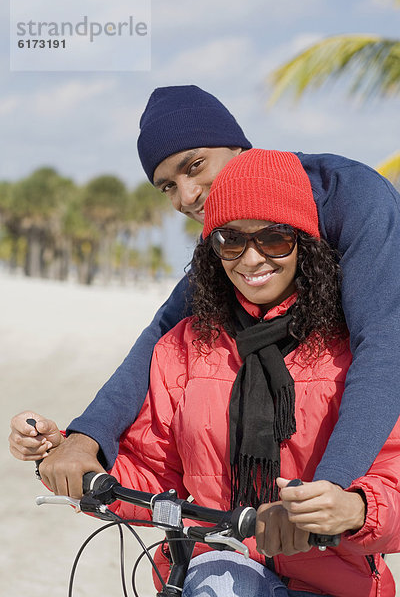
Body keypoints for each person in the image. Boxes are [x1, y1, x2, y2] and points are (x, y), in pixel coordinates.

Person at [18, 149, 400, 597]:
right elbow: (152, 475)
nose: (251, 258)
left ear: (307, 244)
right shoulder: (182, 348)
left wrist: (353, 510)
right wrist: (68, 459)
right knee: (221, 575)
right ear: (212, 250)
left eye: (274, 239)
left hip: (331, 584)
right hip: (206, 569)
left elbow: (389, 483)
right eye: (231, 240)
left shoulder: (353, 356)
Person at [9, 85, 400, 501]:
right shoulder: (223, 242)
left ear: (239, 148)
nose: (187, 196)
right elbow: (161, 333)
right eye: (167, 187)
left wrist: (334, 486)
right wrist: (86, 437)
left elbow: (384, 343)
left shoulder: (353, 197)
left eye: (194, 166)